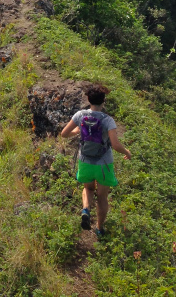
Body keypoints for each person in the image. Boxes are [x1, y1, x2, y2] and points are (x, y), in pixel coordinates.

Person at [60, 84, 131, 237]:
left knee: (88, 189)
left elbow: (64, 134)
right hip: (104, 164)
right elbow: (116, 145)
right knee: (102, 196)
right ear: (103, 101)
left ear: (88, 99)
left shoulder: (80, 115)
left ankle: (85, 209)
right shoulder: (107, 120)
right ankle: (99, 229)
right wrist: (127, 152)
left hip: (85, 161)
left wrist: (77, 131)